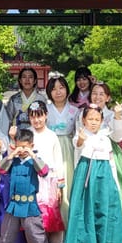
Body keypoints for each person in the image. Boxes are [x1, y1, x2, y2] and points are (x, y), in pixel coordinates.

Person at [63, 104, 122, 243]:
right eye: (90, 119)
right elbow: (77, 143)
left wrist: (118, 115)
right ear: (83, 120)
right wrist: (82, 140)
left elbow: (119, 135)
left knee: (107, 215)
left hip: (105, 175)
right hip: (86, 176)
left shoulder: (106, 133)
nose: (93, 122)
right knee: (82, 216)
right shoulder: (80, 133)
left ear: (102, 120)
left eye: (96, 119)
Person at [0, 129, 59, 243]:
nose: (22, 151)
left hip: (30, 205)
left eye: (25, 147)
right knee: (6, 237)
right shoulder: (12, 160)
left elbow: (45, 172)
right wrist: (12, 154)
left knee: (38, 238)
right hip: (14, 205)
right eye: (19, 146)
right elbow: (0, 169)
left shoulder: (35, 161)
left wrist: (32, 154)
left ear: (31, 145)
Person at [10, 100, 65, 243]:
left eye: (40, 116)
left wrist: (59, 184)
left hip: (47, 182)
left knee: (43, 221)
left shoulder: (52, 136)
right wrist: (12, 138)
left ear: (46, 115)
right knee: (28, 220)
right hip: (29, 182)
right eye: (33, 117)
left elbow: (58, 161)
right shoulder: (26, 135)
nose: (37, 120)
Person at [45, 76, 79, 228]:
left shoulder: (75, 110)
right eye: (54, 89)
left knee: (68, 187)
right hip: (50, 147)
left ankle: (68, 230)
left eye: (61, 87)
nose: (58, 92)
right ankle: (53, 232)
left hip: (69, 148)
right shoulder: (45, 110)